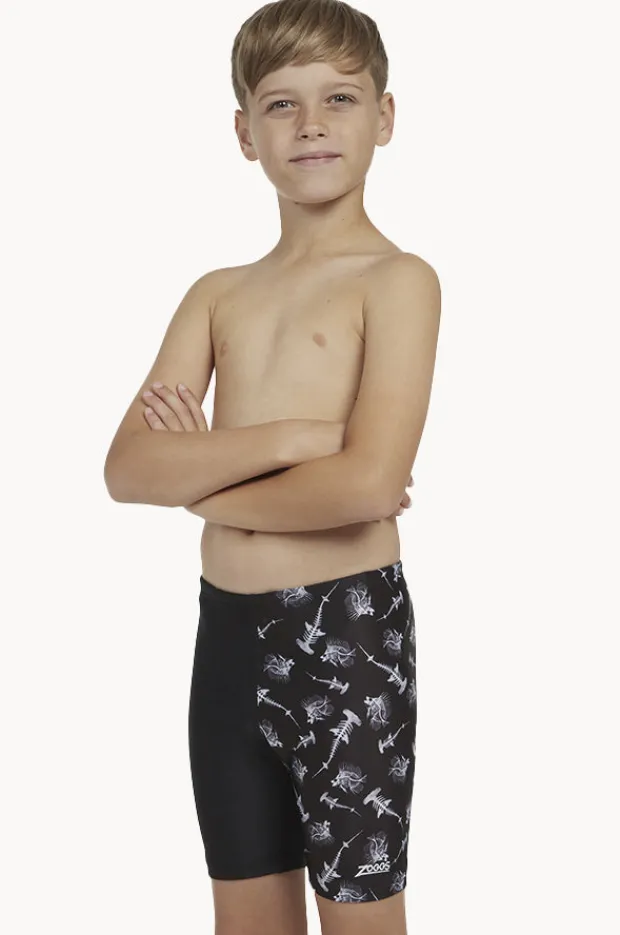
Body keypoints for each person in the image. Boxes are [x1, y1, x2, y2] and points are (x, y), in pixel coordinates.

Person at [104, 1, 441, 932]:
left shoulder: (398, 281)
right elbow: (129, 469)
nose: (312, 124)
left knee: (361, 915)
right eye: (282, 104)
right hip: (225, 640)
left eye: (340, 98)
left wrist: (200, 481)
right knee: (245, 918)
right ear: (245, 133)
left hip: (348, 639)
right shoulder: (217, 295)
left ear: (384, 117)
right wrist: (293, 438)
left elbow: (366, 485)